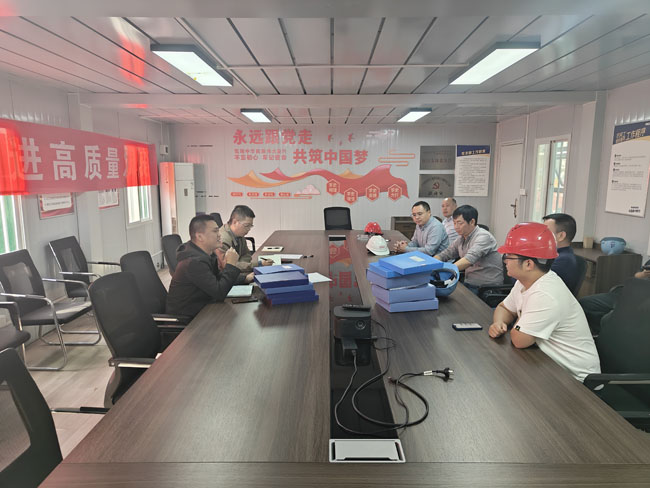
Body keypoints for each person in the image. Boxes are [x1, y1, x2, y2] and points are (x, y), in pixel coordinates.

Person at [488, 222, 600, 383]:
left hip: (577, 380)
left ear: (528, 264)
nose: (505, 261)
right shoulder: (526, 280)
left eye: (509, 256)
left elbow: (519, 340)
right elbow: (504, 308)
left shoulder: (546, 294)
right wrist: (499, 323)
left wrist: (517, 320)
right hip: (548, 363)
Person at [166, 215, 248, 317]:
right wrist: (231, 264)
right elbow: (219, 292)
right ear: (200, 237)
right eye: (215, 231)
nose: (219, 235)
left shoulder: (206, 254)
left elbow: (217, 280)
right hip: (187, 320)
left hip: (202, 309)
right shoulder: (194, 262)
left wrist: (245, 278)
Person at [434, 205, 503, 292]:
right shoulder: (462, 238)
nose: (456, 227)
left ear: (472, 222)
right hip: (469, 283)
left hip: (486, 288)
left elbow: (468, 260)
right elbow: (446, 254)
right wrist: (432, 263)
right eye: (454, 223)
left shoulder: (484, 237)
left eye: (460, 223)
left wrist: (445, 269)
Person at [579, 258, 650, 335]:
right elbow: (637, 275)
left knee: (612, 316)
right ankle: (603, 333)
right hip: (625, 293)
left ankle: (609, 334)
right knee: (584, 303)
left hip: (640, 301)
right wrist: (644, 274)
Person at [218, 205, 271, 275]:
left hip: (238, 273)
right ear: (235, 222)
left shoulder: (239, 234)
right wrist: (258, 264)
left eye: (250, 226)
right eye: (246, 225)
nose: (248, 229)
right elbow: (228, 266)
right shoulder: (222, 240)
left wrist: (241, 264)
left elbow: (246, 254)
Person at [542, 213, 579, 292]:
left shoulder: (564, 260)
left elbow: (534, 282)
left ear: (561, 236)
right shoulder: (554, 254)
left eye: (545, 232)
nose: (541, 235)